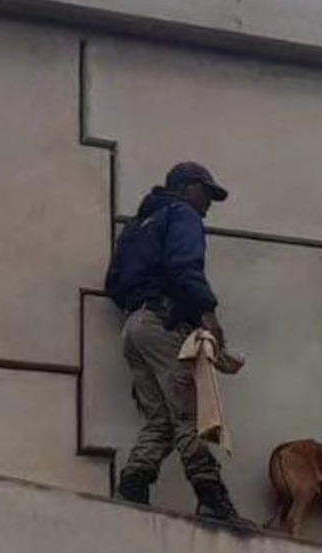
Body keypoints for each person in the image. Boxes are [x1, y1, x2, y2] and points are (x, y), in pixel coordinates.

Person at [105, 162, 252, 528]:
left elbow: (112, 283)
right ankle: (213, 501)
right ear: (188, 188)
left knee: (161, 420)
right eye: (207, 193)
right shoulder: (182, 214)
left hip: (134, 327)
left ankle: (131, 490)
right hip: (163, 323)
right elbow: (185, 266)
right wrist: (207, 315)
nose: (208, 204)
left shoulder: (137, 225)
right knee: (190, 415)